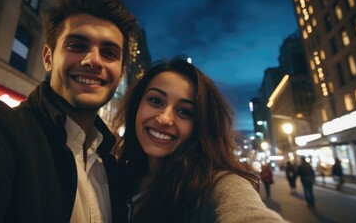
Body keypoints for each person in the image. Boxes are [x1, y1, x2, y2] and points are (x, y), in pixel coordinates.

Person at [0, 0, 137, 222]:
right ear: (48, 58)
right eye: (77, 45)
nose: (93, 61)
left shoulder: (110, 167)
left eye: (109, 53)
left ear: (120, 73)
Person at [112, 57, 287, 222]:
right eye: (156, 101)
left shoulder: (213, 185)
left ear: (200, 126)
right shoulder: (120, 173)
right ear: (137, 106)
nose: (165, 119)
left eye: (184, 111)